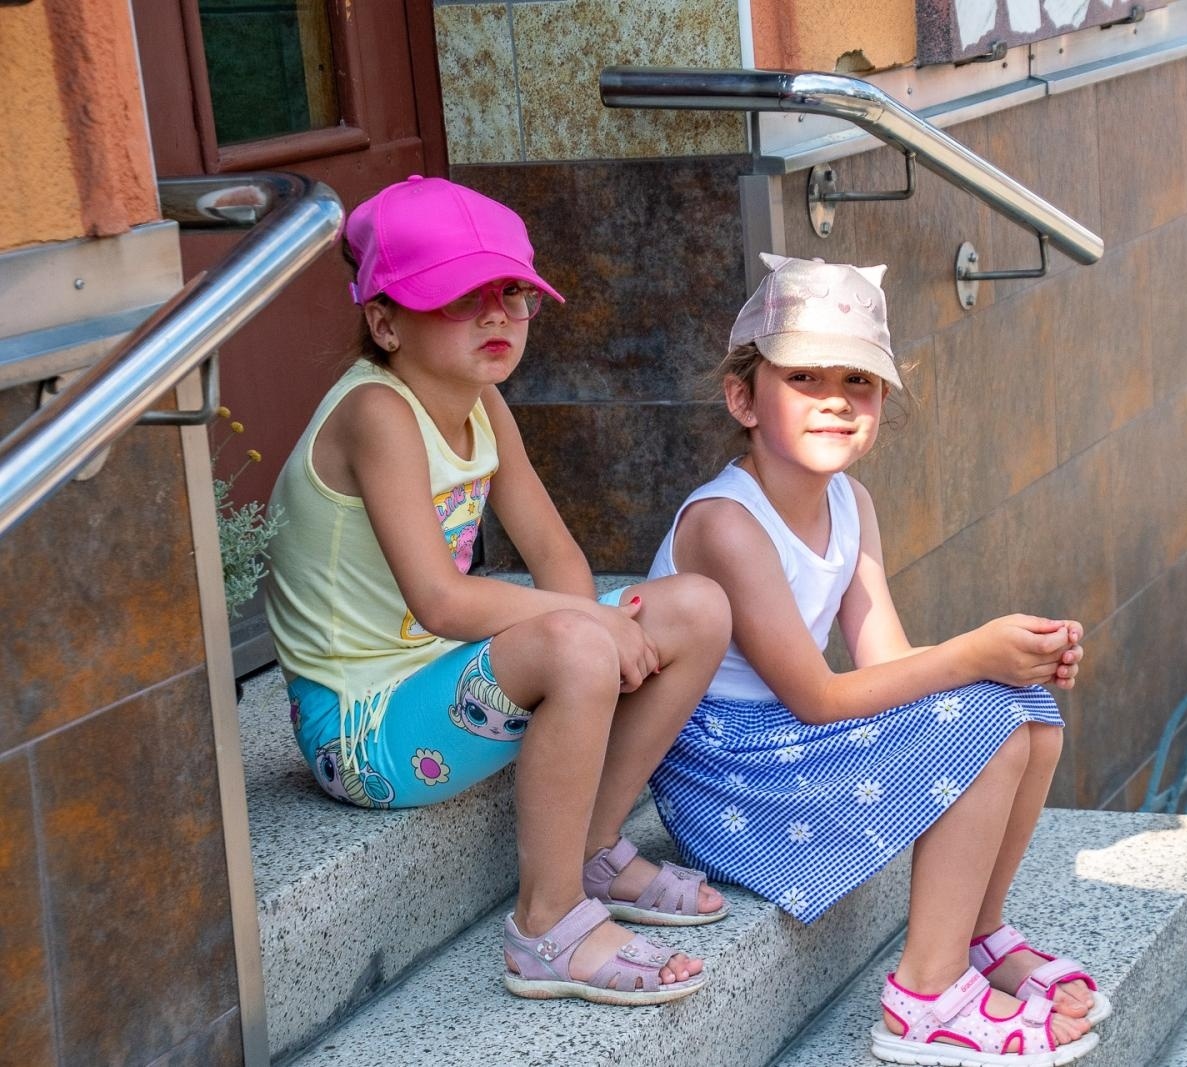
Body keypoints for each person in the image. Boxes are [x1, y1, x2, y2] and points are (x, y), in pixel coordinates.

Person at [264, 176, 732, 1007]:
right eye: (460, 296)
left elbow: (557, 555)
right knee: (576, 637)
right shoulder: (377, 412)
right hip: (363, 726)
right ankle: (548, 924)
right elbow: (443, 601)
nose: (497, 316)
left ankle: (588, 846)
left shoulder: (484, 406)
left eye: (514, 294)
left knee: (696, 607)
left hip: (440, 678)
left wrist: (590, 617)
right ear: (384, 321)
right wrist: (586, 627)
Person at [644, 254, 1109, 1066]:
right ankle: (926, 998)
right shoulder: (727, 523)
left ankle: (979, 931)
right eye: (805, 378)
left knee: (1026, 710)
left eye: (858, 381)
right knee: (988, 720)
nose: (835, 398)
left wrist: (1010, 659)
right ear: (743, 398)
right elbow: (823, 697)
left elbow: (886, 663)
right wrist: (971, 654)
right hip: (727, 773)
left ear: (883, 400)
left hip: (783, 741)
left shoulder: (851, 503)